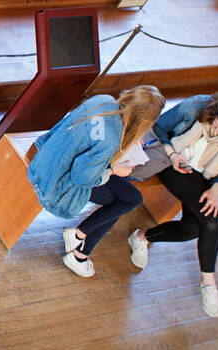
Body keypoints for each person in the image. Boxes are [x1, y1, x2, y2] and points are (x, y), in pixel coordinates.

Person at [128, 94, 218, 318]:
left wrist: (216, 189)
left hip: (205, 174)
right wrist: (173, 154)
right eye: (217, 123)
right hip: (173, 161)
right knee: (210, 219)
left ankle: (141, 237)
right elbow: (159, 128)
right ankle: (208, 284)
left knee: (192, 229)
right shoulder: (195, 107)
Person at [25, 86, 166, 276]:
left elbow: (91, 136)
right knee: (125, 201)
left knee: (129, 199)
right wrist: (114, 169)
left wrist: (128, 140)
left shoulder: (104, 100)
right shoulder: (110, 141)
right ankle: (79, 245)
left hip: (52, 153)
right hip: (57, 181)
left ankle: (79, 242)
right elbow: (82, 178)